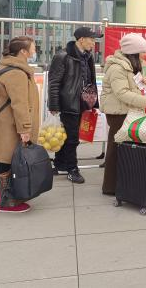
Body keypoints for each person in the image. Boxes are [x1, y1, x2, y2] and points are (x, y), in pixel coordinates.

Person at [101, 33, 146, 195]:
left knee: (123, 148)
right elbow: (122, 93)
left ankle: (122, 184)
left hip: (126, 110)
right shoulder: (118, 68)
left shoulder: (129, 66)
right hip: (118, 112)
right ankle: (110, 187)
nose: (145, 54)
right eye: (143, 51)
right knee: (116, 148)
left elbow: (134, 87)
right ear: (133, 52)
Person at [0, 36, 40, 213]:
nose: (35, 51)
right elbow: (20, 104)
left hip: (5, 123)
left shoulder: (6, 67)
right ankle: (8, 201)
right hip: (11, 126)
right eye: (33, 48)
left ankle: (1, 195)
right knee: (11, 162)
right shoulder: (16, 73)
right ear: (23, 52)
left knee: (5, 160)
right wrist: (25, 129)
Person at [48, 27, 100, 184]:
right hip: (68, 103)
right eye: (91, 39)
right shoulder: (63, 56)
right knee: (72, 138)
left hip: (83, 103)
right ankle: (72, 169)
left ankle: (59, 164)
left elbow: (91, 80)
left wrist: (93, 102)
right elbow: (54, 82)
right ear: (81, 39)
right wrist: (54, 105)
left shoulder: (88, 56)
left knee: (68, 136)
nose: (94, 43)